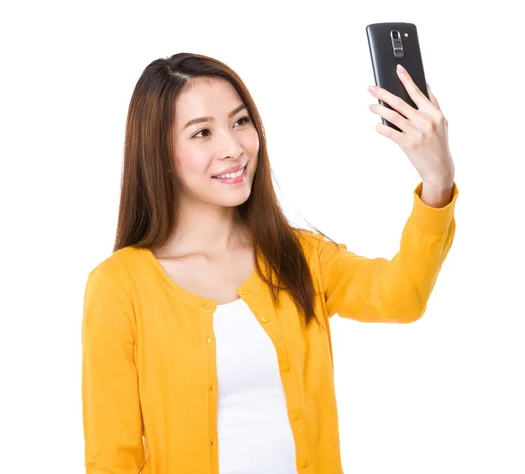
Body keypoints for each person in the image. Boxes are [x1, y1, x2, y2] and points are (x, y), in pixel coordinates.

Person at [81, 52, 458, 474]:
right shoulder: (119, 285)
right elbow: (112, 459)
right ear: (161, 154)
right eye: (202, 132)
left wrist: (437, 183)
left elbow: (401, 298)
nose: (233, 148)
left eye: (240, 122)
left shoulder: (302, 257)